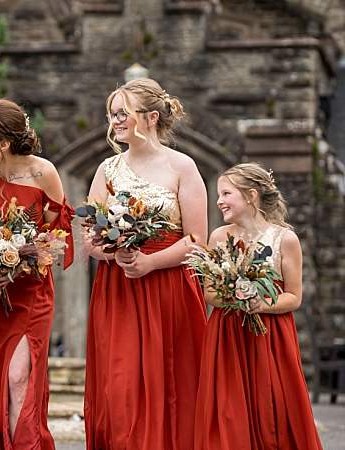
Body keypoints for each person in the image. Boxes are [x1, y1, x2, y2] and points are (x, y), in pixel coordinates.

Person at [83, 78, 208, 449]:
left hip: (169, 290)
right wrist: (113, 251)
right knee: (120, 387)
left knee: (172, 382)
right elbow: (90, 238)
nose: (115, 121)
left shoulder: (182, 167)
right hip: (119, 291)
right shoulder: (107, 170)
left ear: (151, 117)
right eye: (112, 114)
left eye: (123, 113)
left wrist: (151, 262)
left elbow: (197, 240)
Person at [0, 99, 75, 450]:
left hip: (29, 294)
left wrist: (22, 258)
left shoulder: (44, 173)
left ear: (2, 143)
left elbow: (55, 236)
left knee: (19, 376)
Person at [193, 163, 322, 450]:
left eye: (226, 193)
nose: (219, 200)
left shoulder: (284, 240)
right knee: (227, 409)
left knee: (271, 406)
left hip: (269, 337)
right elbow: (210, 294)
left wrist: (260, 303)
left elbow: (293, 297)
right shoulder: (219, 237)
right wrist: (235, 296)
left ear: (250, 196)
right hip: (226, 336)